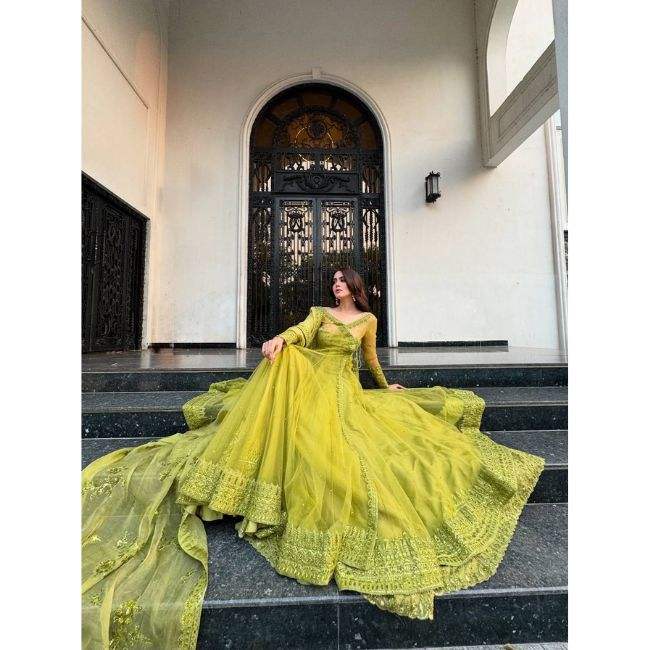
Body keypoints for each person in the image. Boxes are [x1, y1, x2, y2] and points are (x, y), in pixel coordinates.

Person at [82, 267, 544, 649]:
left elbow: (370, 360)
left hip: (344, 393)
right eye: (334, 282)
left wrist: (387, 387)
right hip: (310, 388)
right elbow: (300, 333)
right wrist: (280, 339)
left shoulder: (368, 320)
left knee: (377, 450)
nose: (336, 286)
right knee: (291, 386)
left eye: (343, 282)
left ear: (356, 288)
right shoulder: (319, 314)